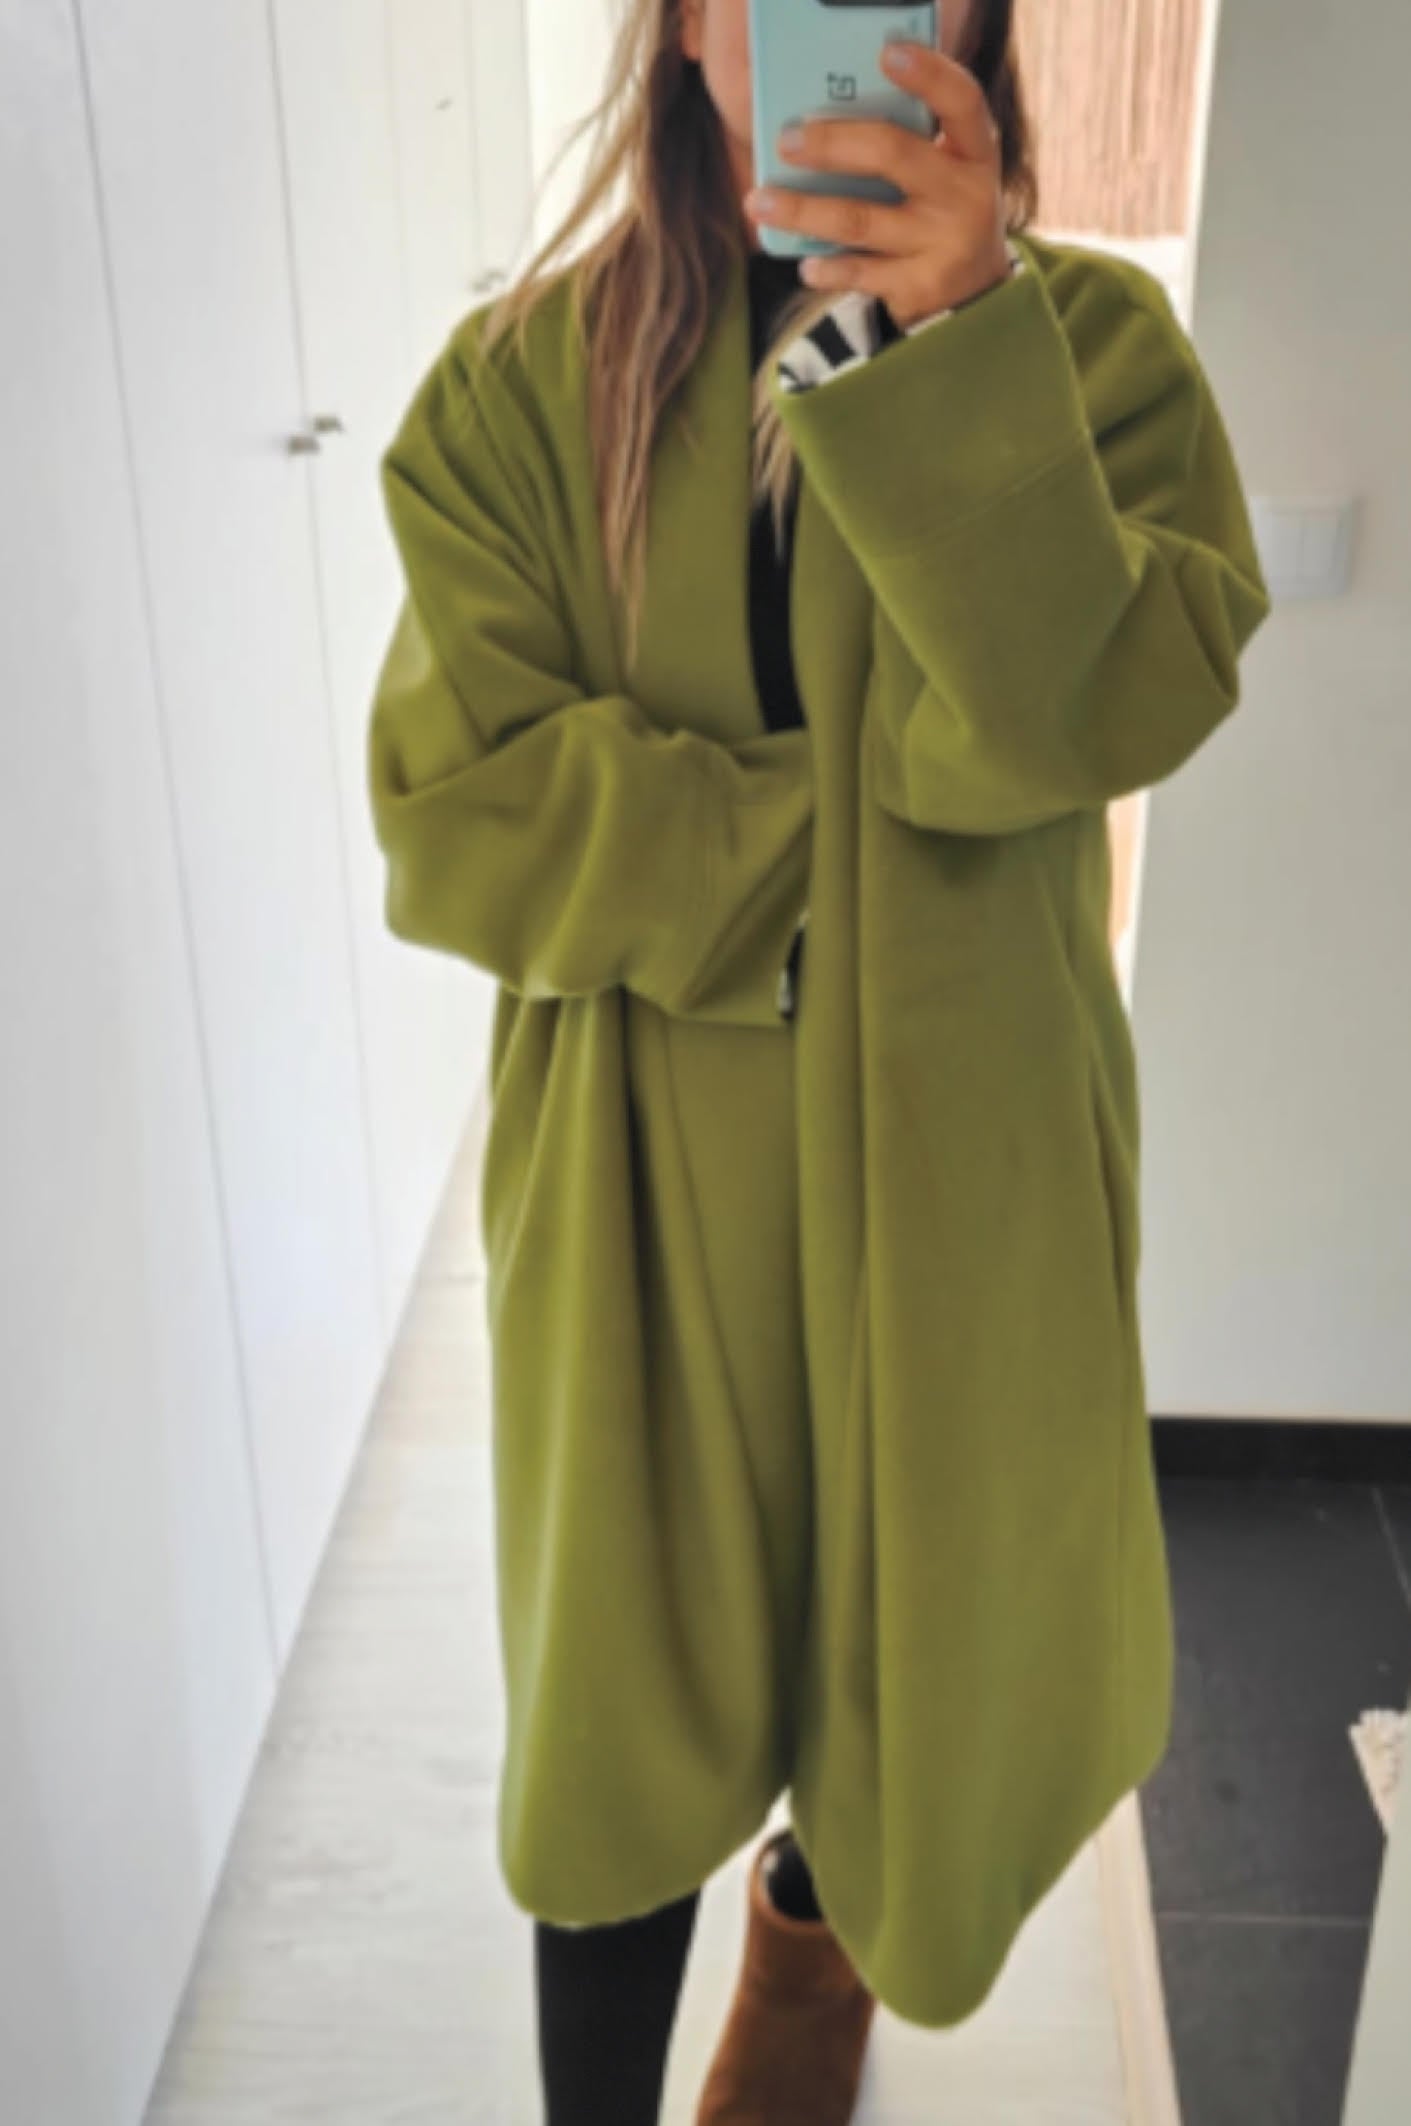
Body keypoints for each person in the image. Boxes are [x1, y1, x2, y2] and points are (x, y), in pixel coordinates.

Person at [366, 3, 1272, 2122]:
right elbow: (459, 811)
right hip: (639, 1188)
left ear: (967, 28)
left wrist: (958, 352)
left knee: (917, 1678)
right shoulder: (520, 389)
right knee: (616, 1727)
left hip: (967, 1170)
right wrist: (849, 854)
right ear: (691, 25)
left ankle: (809, 1961)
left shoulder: (1094, 360)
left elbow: (1096, 710)